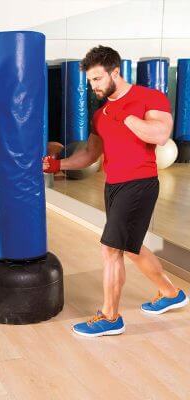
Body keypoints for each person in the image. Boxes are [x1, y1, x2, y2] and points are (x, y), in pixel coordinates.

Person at [43, 46, 188, 337]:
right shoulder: (100, 115)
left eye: (97, 79)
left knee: (111, 248)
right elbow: (90, 155)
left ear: (115, 72)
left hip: (140, 183)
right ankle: (170, 293)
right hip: (114, 185)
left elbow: (160, 135)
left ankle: (111, 317)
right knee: (130, 247)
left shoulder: (150, 98)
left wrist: (123, 115)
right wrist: (58, 164)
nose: (93, 86)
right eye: (90, 81)